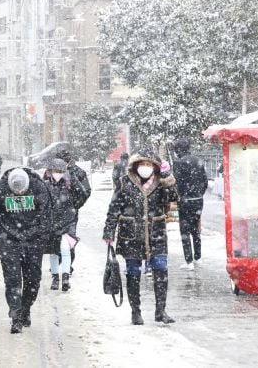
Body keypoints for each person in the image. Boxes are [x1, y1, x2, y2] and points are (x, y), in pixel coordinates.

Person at [103, 147, 177, 325]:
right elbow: (114, 208)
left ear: (155, 166)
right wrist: (109, 230)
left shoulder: (160, 182)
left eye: (149, 164)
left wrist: (168, 178)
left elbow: (174, 197)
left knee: (161, 269)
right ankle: (135, 312)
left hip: (156, 234)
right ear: (136, 166)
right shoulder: (125, 182)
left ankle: (161, 311)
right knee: (133, 273)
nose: (145, 167)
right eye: (142, 164)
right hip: (131, 235)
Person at [0, 167, 54, 333]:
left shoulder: (39, 187)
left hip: (33, 240)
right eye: (17, 193)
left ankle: (26, 308)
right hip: (9, 241)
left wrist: (38, 237)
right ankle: (16, 316)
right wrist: (1, 238)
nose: (20, 195)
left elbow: (46, 217)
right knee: (12, 280)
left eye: (23, 193)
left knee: (33, 279)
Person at [43, 158, 87, 292]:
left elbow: (83, 194)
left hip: (68, 221)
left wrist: (74, 206)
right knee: (53, 252)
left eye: (60, 171)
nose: (57, 173)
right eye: (55, 171)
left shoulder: (69, 182)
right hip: (51, 222)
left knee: (65, 249)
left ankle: (65, 277)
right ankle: (55, 277)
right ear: (50, 171)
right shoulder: (45, 185)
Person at [173, 138, 208, 270]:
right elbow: (204, 180)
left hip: (185, 201)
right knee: (195, 230)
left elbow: (178, 183)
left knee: (184, 231)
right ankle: (198, 257)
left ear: (178, 150)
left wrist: (181, 196)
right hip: (198, 200)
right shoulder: (198, 160)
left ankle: (189, 261)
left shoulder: (178, 163)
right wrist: (199, 194)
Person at [56, 148, 91, 275]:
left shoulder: (77, 172)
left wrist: (75, 205)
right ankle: (58, 263)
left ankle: (68, 264)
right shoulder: (52, 172)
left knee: (69, 238)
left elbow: (85, 192)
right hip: (54, 212)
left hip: (70, 212)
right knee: (55, 238)